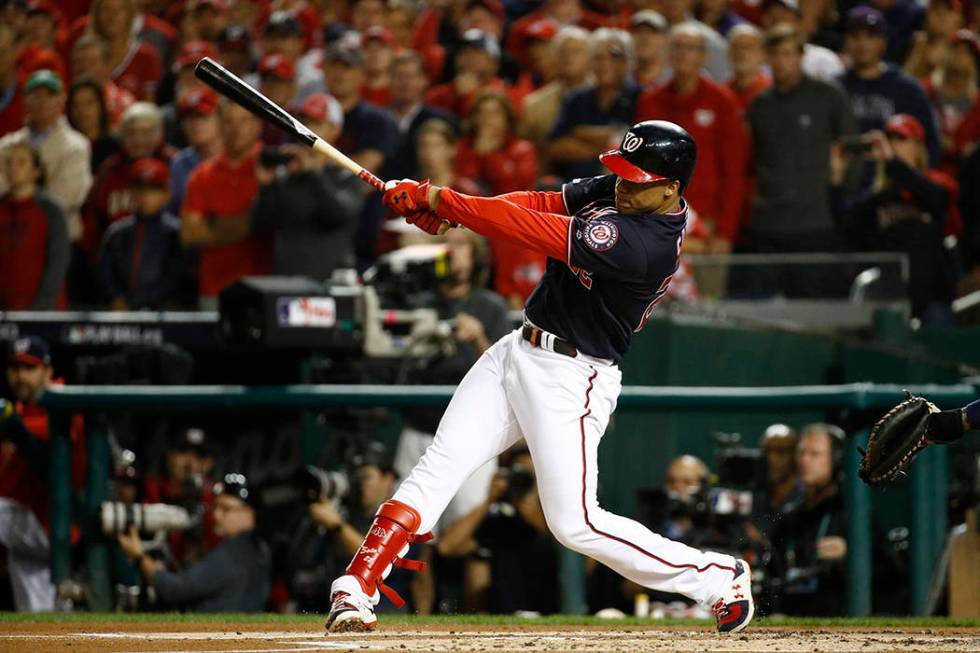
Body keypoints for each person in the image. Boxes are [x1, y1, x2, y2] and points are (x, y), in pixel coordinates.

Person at [324, 120, 755, 634]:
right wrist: (449, 210)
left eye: (637, 180)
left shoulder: (647, 244)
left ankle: (717, 574)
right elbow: (539, 204)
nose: (622, 184)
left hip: (571, 376)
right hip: (516, 349)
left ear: (671, 189)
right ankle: (357, 587)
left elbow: (528, 231)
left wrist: (441, 198)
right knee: (438, 466)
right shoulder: (624, 193)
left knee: (575, 523)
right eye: (621, 172)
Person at [744, 24, 856, 270]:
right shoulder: (759, 105)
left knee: (813, 303)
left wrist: (842, 194)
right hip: (768, 223)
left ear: (801, 55)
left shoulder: (828, 96)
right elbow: (750, 160)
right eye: (775, 54)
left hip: (815, 221)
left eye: (788, 54)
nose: (781, 61)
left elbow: (852, 147)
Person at [636, 23, 748, 256]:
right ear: (669, 54)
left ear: (703, 56)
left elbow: (734, 172)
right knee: (655, 292)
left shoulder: (722, 102)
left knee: (708, 293)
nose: (683, 54)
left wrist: (725, 232)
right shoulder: (650, 102)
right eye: (677, 47)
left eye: (691, 48)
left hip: (707, 224)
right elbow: (639, 168)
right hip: (658, 221)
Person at [839, 114, 959, 323]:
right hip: (890, 300)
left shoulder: (938, 183)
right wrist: (837, 176)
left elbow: (938, 199)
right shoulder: (876, 199)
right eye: (889, 140)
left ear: (918, 147)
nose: (893, 146)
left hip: (933, 299)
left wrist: (893, 163)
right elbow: (848, 229)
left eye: (901, 139)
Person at [0, 337, 83, 612]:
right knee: (42, 617)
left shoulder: (62, 402)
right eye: (14, 368)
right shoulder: (22, 408)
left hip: (53, 523)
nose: (19, 376)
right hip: (26, 528)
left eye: (28, 368)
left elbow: (54, 437)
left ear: (47, 372)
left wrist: (13, 424)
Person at [117, 473, 270, 612]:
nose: (216, 515)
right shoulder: (261, 550)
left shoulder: (234, 552)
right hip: (243, 637)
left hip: (216, 638)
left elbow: (175, 590)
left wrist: (139, 557)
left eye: (225, 509)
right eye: (216, 507)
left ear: (249, 514)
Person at [250, 93, 364, 279]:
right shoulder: (286, 175)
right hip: (288, 283)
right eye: (304, 123)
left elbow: (337, 215)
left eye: (316, 124)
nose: (308, 130)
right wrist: (266, 186)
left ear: (335, 129)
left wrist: (313, 173)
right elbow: (260, 225)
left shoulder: (346, 174)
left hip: (331, 283)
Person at [436, 446, 557, 615]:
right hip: (504, 613)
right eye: (519, 474)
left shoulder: (556, 517)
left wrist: (533, 515)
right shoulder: (500, 520)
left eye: (531, 475)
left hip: (549, 611)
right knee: (479, 558)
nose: (525, 480)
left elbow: (572, 559)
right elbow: (447, 547)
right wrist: (489, 500)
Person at [181, 100, 271, 309]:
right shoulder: (203, 175)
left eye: (244, 121)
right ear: (220, 126)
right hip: (215, 290)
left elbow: (278, 223)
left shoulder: (271, 166)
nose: (236, 129)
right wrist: (250, 221)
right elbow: (190, 235)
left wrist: (215, 226)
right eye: (229, 121)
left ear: (258, 125)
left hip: (266, 288)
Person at [838, 6, 943, 165]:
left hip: (892, 182)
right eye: (855, 36)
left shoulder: (907, 89)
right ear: (846, 41)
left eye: (870, 36)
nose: (862, 43)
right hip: (843, 180)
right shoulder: (834, 88)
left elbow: (930, 145)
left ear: (883, 42)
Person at [0, 69, 91, 245]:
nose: (42, 102)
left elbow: (65, 196)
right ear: (25, 100)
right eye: (35, 95)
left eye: (49, 95)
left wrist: (20, 195)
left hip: (60, 240)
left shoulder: (77, 145)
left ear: (61, 100)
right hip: (12, 240)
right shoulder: (6, 145)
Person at [768, 424, 847, 616]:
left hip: (839, 618)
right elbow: (773, 573)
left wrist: (850, 555)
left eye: (815, 454)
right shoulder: (789, 515)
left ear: (836, 460)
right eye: (801, 453)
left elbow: (891, 579)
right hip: (791, 616)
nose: (804, 460)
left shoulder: (852, 513)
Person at [548, 28, 640, 181]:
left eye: (614, 56)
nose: (605, 63)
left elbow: (638, 151)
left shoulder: (641, 97)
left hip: (623, 190)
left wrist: (581, 134)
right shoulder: (577, 98)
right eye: (598, 57)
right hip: (577, 188)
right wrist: (611, 148)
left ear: (627, 61)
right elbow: (556, 147)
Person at [98, 158, 182, 310]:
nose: (144, 196)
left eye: (153, 189)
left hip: (164, 313)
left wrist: (138, 301)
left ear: (166, 194)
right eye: (139, 188)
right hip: (121, 313)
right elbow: (105, 274)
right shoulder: (116, 233)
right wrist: (117, 298)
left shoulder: (175, 232)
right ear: (130, 191)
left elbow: (174, 277)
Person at [0, 142, 69, 310]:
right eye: (9, 162)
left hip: (43, 310)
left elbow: (58, 262)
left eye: (21, 162)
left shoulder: (52, 210)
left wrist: (42, 309)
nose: (13, 168)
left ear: (36, 171)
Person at [519, 26, 592, 157]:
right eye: (563, 52)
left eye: (576, 51)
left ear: (590, 57)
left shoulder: (607, 95)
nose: (568, 57)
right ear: (555, 57)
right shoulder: (534, 105)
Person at [383, 51, 456, 182]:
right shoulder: (378, 120)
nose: (405, 83)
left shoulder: (442, 119)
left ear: (424, 80)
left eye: (411, 76)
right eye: (399, 76)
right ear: (389, 79)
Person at [84, 0, 162, 101]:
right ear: (96, 14)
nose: (112, 16)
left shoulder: (146, 55)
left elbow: (148, 108)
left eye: (119, 10)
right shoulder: (84, 55)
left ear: (129, 15)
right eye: (106, 9)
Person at [167, 88, 222, 216]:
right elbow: (173, 212)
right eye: (189, 119)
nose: (195, 124)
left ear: (220, 119)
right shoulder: (179, 163)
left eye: (202, 117)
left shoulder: (234, 156)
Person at [761, 0, 844, 82]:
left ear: (797, 18)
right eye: (770, 15)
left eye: (782, 15)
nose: (776, 19)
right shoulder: (757, 61)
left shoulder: (823, 59)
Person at [66, 77, 120, 173]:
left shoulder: (116, 145)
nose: (82, 110)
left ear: (101, 106)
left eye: (89, 103)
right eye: (76, 105)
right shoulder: (65, 146)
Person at [727, 24, 771, 112]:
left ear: (763, 54)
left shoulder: (773, 93)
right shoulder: (722, 94)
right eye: (737, 47)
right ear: (729, 53)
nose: (742, 53)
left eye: (749, 47)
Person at [630, 10, 671, 89]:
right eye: (638, 32)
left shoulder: (674, 79)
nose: (644, 38)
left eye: (652, 32)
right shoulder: (622, 77)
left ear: (665, 40)